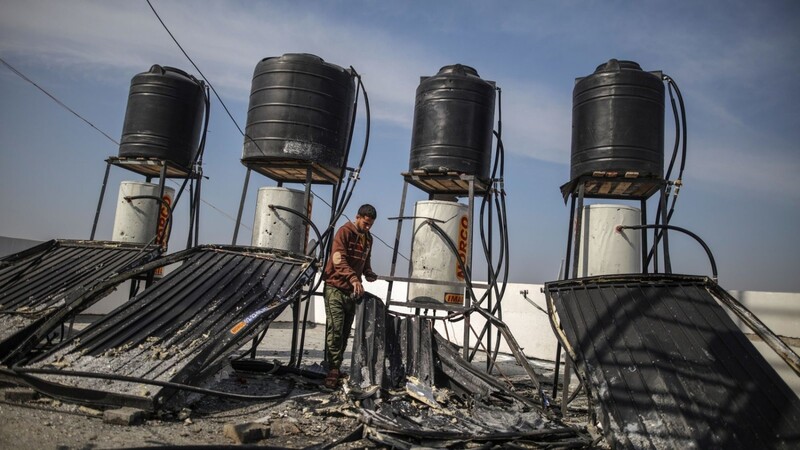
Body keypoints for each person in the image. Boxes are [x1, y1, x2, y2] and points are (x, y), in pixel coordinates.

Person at [321, 204, 378, 389]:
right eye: (365, 223)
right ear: (358, 217)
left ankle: (334, 367)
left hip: (351, 293)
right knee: (335, 329)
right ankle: (333, 369)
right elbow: (339, 260)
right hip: (336, 288)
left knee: (345, 332)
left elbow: (366, 261)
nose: (367, 227)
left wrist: (368, 273)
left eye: (370, 225)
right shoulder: (344, 232)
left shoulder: (368, 239)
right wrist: (354, 278)